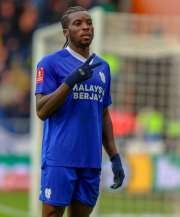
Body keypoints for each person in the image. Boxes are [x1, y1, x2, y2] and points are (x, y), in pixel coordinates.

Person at [35, 6, 125, 217]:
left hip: (91, 160)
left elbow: (103, 114)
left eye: (89, 22)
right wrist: (70, 81)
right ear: (66, 32)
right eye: (78, 24)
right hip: (60, 158)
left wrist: (114, 157)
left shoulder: (102, 67)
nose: (86, 27)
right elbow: (41, 111)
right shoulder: (50, 63)